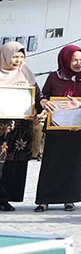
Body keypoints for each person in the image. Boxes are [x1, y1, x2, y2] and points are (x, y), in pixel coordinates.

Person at [35, 45, 81, 211]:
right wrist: (43, 102)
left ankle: (69, 199)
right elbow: (43, 94)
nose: (79, 63)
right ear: (65, 60)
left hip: (78, 129)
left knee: (74, 164)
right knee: (51, 163)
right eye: (74, 60)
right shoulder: (54, 77)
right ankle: (44, 200)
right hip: (56, 128)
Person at [0, 42, 40, 210]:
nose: (18, 61)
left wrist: (37, 112)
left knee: (14, 163)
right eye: (15, 56)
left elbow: (37, 96)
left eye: (21, 57)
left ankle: (6, 197)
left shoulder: (26, 73)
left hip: (22, 127)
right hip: (3, 127)